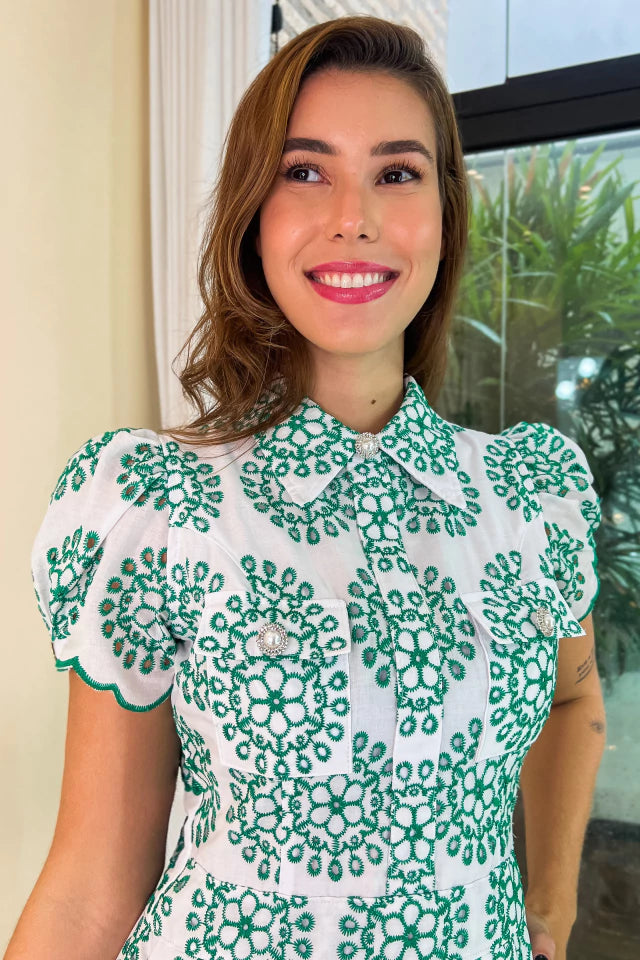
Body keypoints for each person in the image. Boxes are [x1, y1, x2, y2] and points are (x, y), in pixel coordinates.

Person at [7, 15, 606, 960]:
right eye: (305, 170)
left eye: (397, 173)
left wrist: (551, 910)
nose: (353, 217)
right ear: (255, 212)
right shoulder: (158, 505)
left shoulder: (530, 498)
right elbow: (89, 891)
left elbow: (574, 701)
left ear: (445, 213)